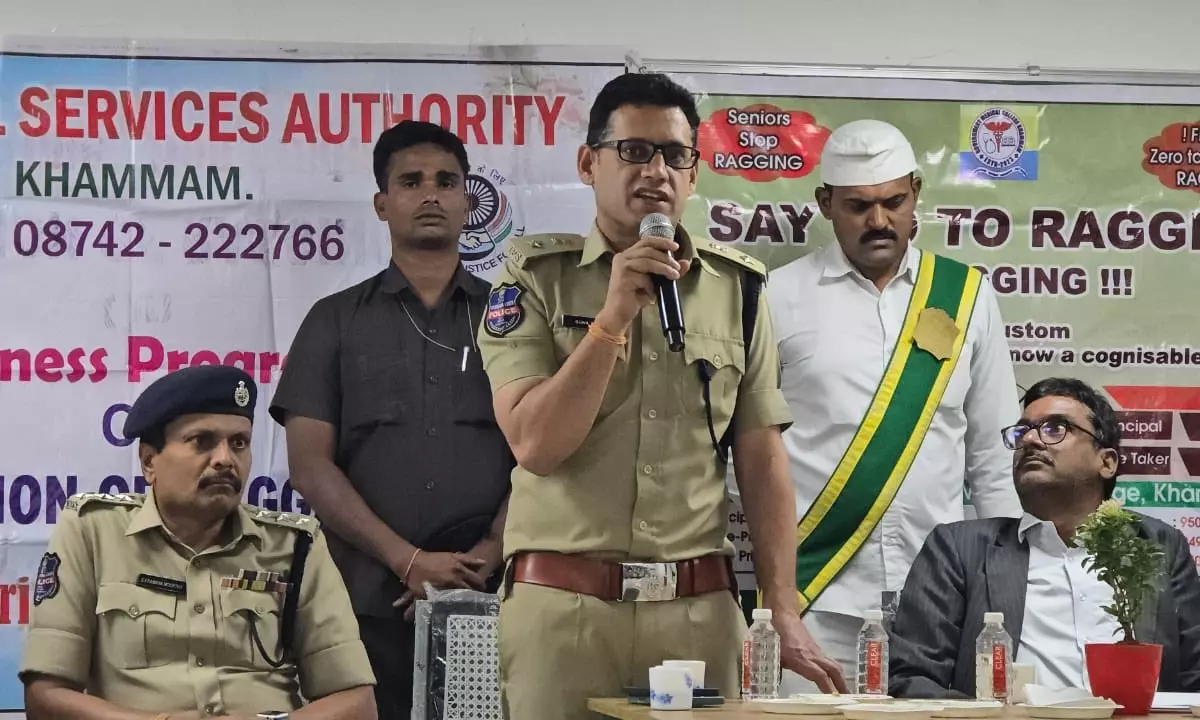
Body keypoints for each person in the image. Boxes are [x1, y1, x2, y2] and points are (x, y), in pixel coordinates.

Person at [474, 72, 846, 720]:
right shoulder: (533, 280)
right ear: (588, 164)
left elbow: (762, 461)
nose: (656, 171)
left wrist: (782, 609)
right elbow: (535, 444)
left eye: (675, 155)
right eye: (635, 151)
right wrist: (610, 320)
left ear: (694, 174)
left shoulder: (738, 289)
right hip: (565, 614)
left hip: (697, 617)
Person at [269, 120, 515, 719]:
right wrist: (406, 559)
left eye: (446, 182)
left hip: (496, 596)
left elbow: (543, 453)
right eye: (411, 182)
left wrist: (491, 551)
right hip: (362, 606)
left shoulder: (512, 319)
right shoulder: (334, 320)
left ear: (467, 201)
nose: (430, 194)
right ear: (382, 204)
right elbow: (309, 467)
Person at [766, 118, 1023, 691]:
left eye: (893, 202)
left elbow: (994, 452)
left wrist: (1002, 588)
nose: (879, 221)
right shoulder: (776, 296)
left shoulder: (967, 295)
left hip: (940, 604)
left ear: (916, 195)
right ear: (825, 204)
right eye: (859, 206)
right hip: (816, 600)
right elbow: (749, 452)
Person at [19, 365, 377, 719]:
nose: (225, 459)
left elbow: (357, 704)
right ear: (149, 462)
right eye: (201, 441)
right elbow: (45, 697)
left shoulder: (295, 545)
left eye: (239, 443)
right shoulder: (93, 532)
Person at [889, 377, 1200, 696]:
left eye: (1055, 428)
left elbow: (1195, 674)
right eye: (1021, 432)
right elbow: (913, 678)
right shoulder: (959, 549)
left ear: (1106, 462)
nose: (1030, 440)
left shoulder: (1159, 544)